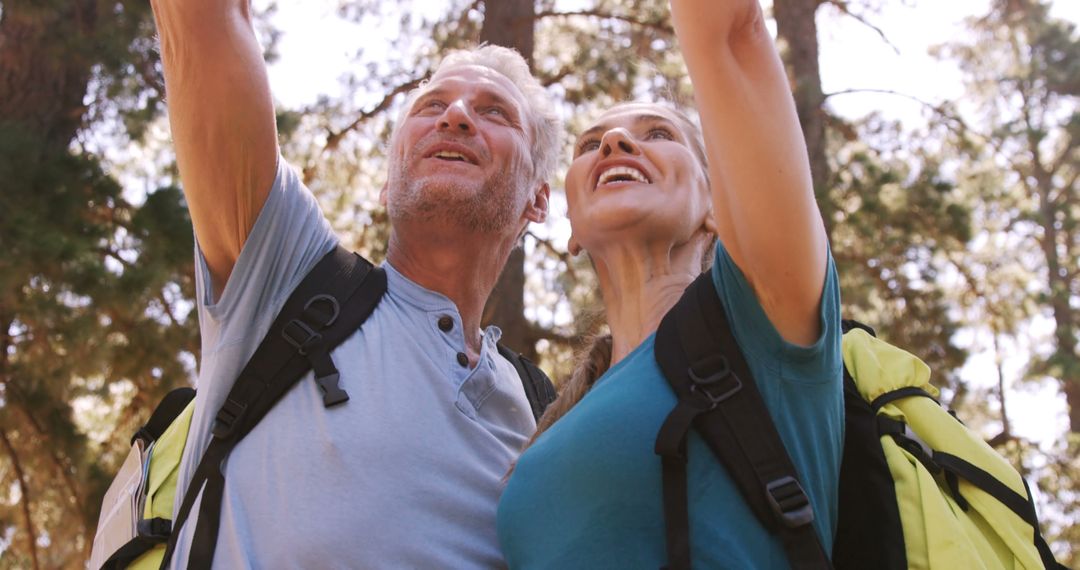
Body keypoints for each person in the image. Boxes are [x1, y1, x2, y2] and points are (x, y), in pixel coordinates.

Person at [147, 0, 560, 566]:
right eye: (431, 105)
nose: (456, 116)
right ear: (389, 183)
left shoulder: (543, 414)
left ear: (538, 199)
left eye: (495, 113)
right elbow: (202, 24)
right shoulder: (284, 276)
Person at [497, 0, 843, 567]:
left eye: (659, 134)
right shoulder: (547, 430)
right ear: (572, 230)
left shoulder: (760, 317)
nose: (614, 143)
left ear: (717, 207)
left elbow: (732, 35)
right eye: (590, 145)